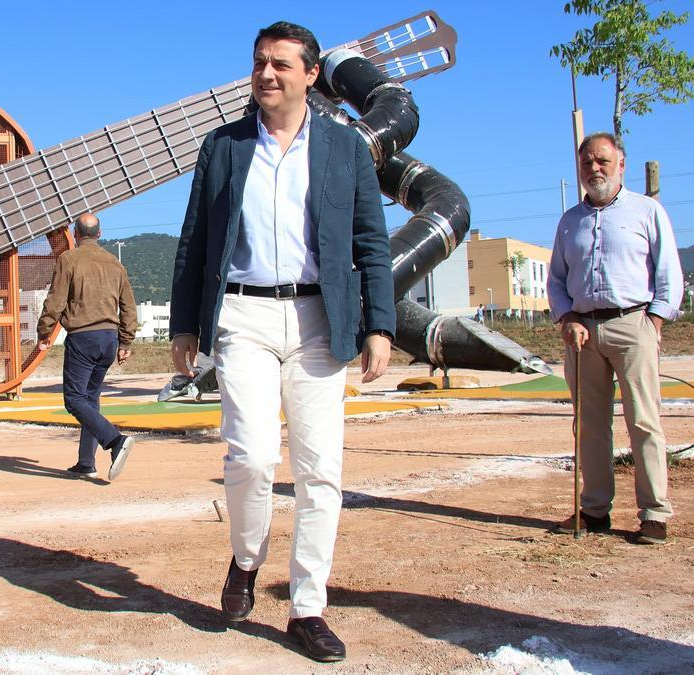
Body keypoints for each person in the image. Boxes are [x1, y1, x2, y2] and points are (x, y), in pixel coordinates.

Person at [169, 21, 394, 663]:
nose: (267, 74)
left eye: (281, 65)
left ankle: (307, 608)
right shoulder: (223, 146)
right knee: (251, 457)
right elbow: (193, 242)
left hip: (321, 319)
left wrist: (379, 325)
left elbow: (370, 242)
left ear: (310, 75)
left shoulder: (345, 148)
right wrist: (185, 324)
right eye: (260, 63)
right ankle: (245, 558)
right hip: (243, 317)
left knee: (321, 470)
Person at [547, 132, 684, 545]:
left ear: (621, 163)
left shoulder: (647, 212)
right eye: (587, 162)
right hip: (582, 333)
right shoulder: (569, 220)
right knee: (589, 425)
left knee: (643, 420)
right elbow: (555, 280)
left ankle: (654, 514)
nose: (594, 168)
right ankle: (594, 510)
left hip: (633, 325)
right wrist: (566, 316)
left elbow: (668, 273)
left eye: (602, 161)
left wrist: (654, 322)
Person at [37, 213, 138, 481]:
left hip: (83, 337)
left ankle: (115, 441)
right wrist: (126, 340)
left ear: (75, 233)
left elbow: (55, 300)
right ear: (100, 234)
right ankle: (85, 462)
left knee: (74, 399)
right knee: (90, 400)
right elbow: (129, 305)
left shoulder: (68, 259)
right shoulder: (115, 263)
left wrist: (45, 331)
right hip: (109, 338)